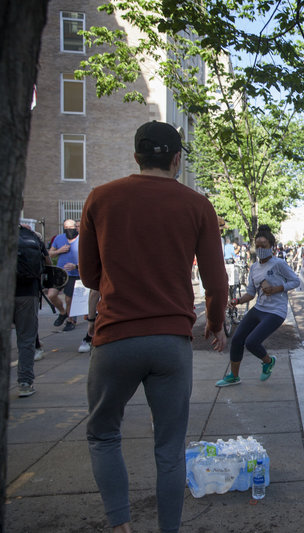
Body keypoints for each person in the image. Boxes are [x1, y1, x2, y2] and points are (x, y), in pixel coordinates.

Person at [79, 120, 228, 533]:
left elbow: (90, 276)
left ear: (136, 156)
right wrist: (215, 325)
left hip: (114, 339)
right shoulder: (197, 205)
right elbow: (217, 283)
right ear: (177, 160)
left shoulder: (100, 199)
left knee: (104, 435)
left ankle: (120, 525)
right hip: (170, 342)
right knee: (169, 448)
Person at [216, 225, 300, 387]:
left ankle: (268, 361)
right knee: (238, 339)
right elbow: (251, 293)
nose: (260, 249)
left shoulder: (278, 264)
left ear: (272, 247)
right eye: (258, 246)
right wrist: (236, 301)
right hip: (259, 309)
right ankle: (234, 376)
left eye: (264, 246)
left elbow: (295, 281)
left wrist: (277, 288)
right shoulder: (254, 267)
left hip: (276, 311)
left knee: (252, 342)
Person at [15, 223, 49, 397]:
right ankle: (25, 382)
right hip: (28, 293)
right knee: (26, 339)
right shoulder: (32, 235)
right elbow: (47, 263)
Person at [48, 218, 81, 331]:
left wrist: (76, 266)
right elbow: (49, 254)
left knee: (69, 298)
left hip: (74, 273)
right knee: (51, 295)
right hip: (60, 272)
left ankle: (70, 320)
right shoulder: (59, 238)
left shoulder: (82, 239)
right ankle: (63, 312)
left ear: (75, 228)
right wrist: (59, 251)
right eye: (66, 228)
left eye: (71, 228)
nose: (68, 230)